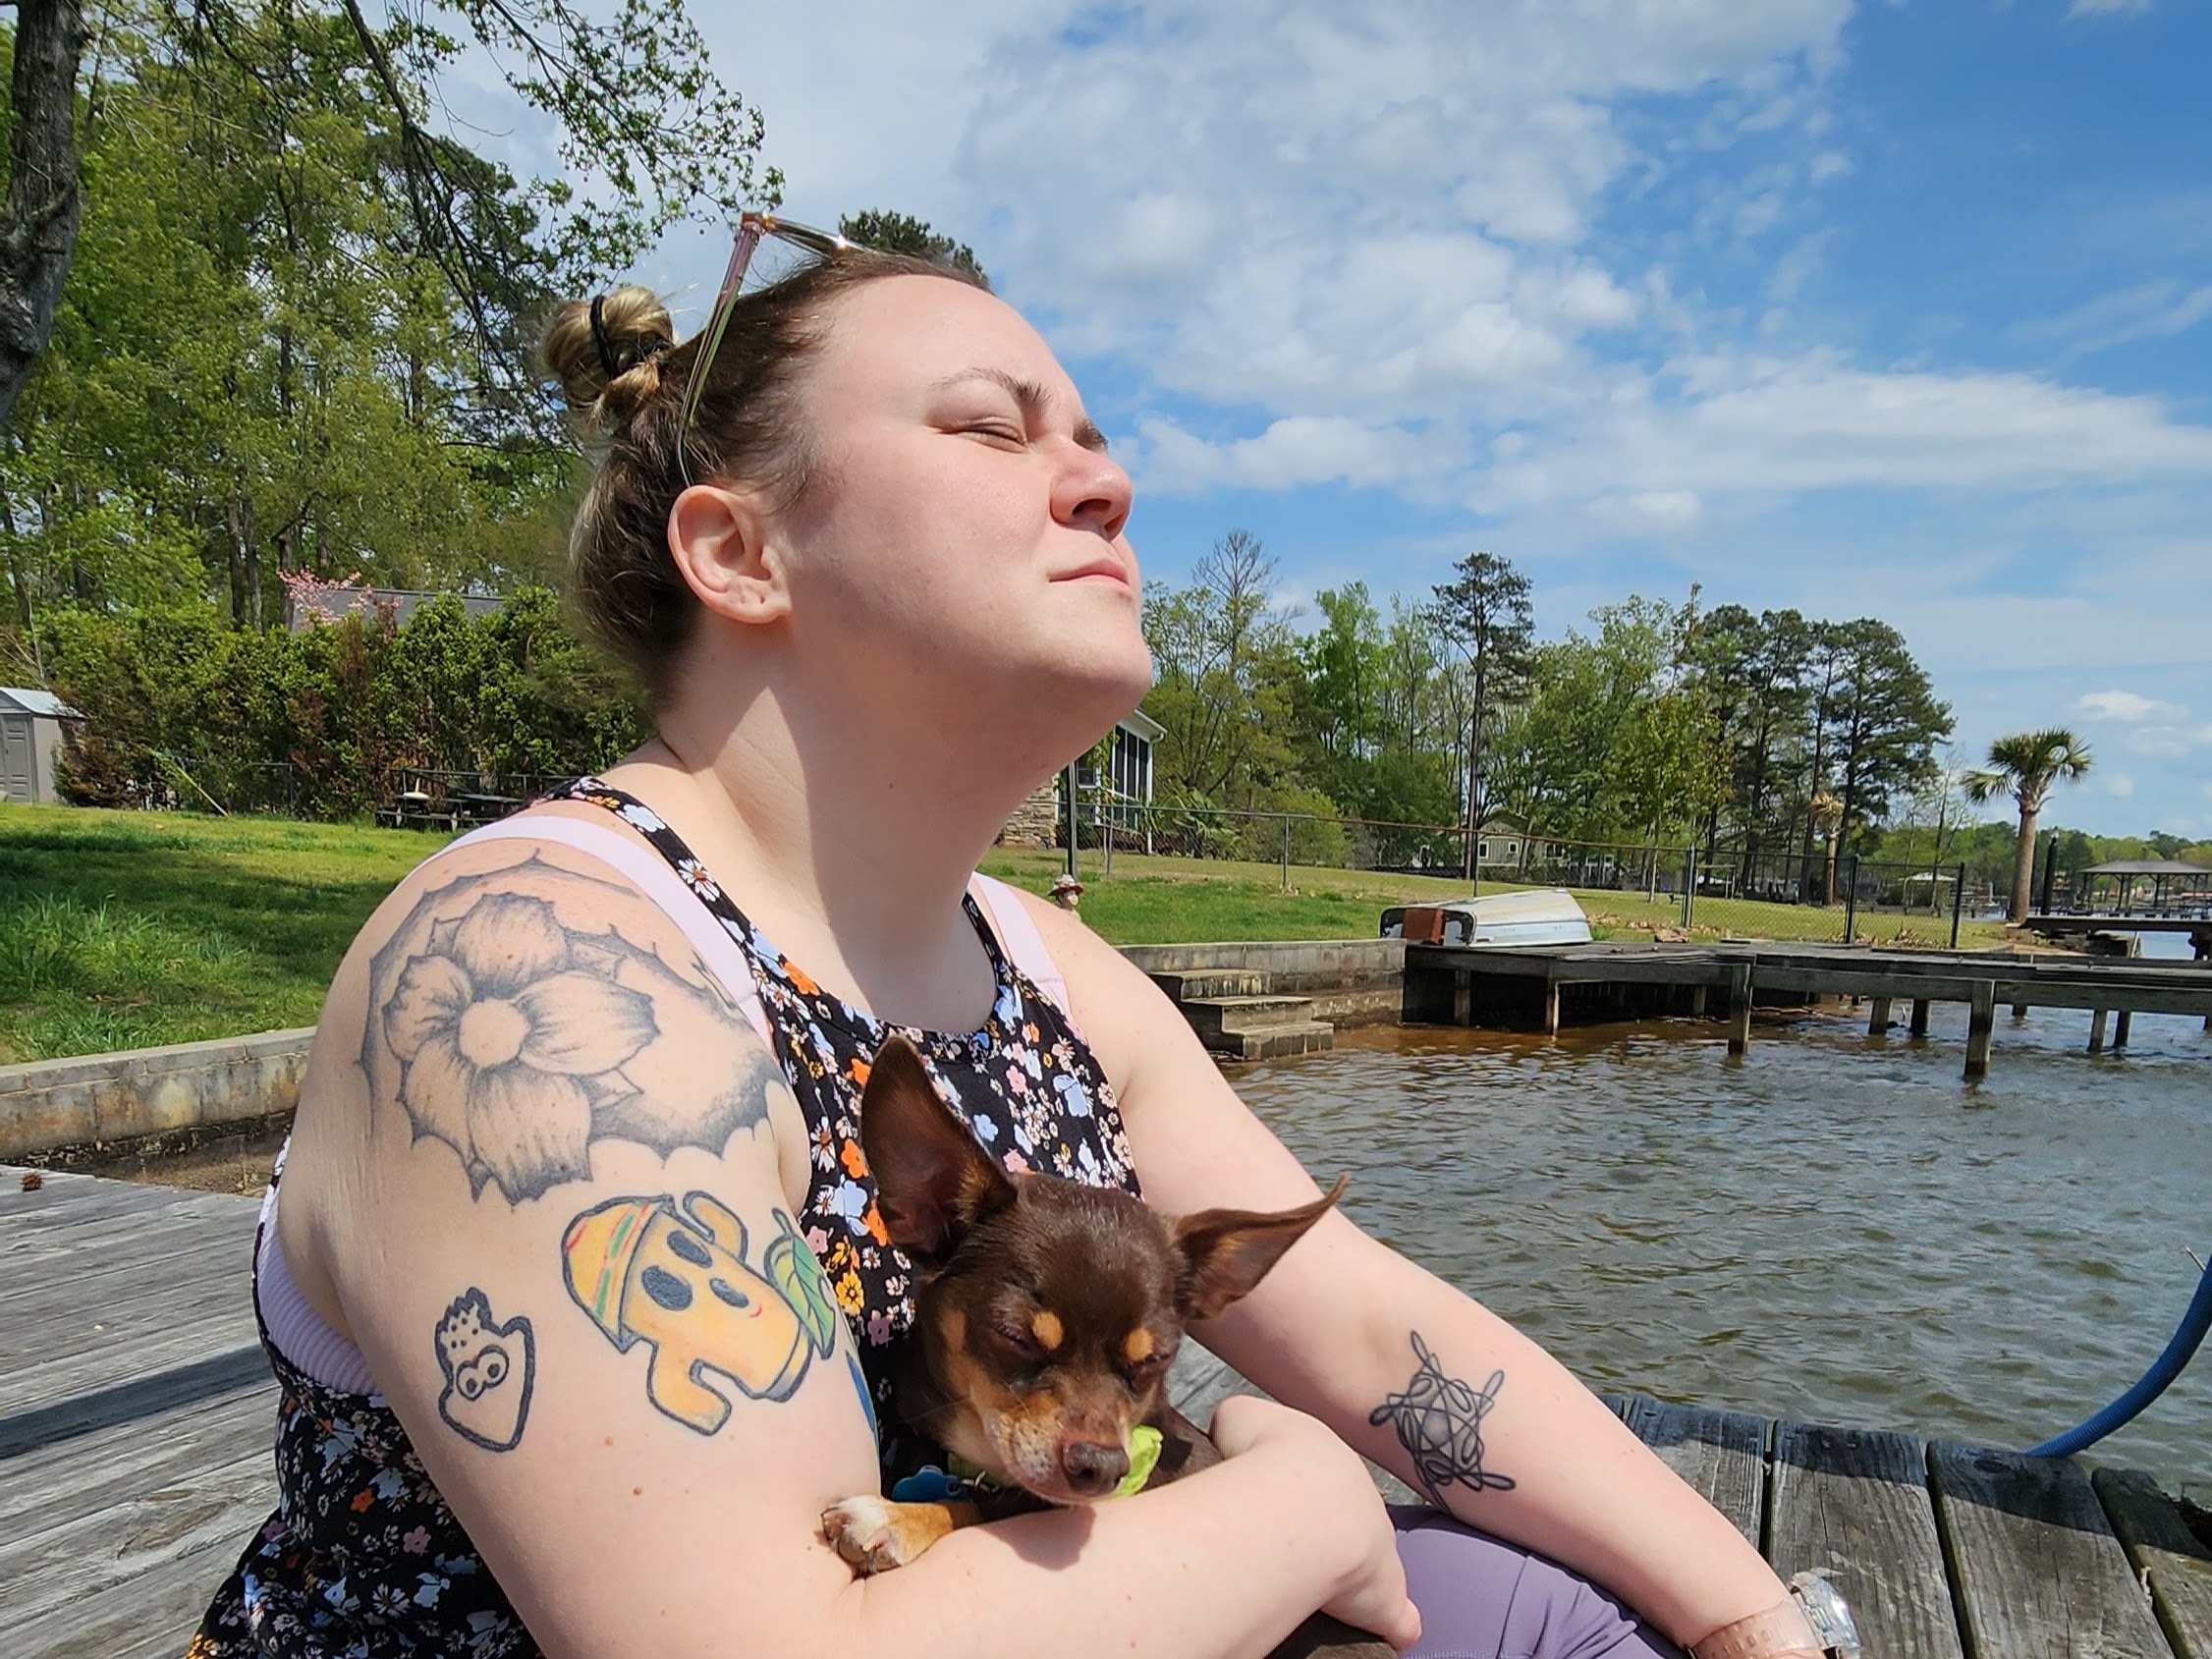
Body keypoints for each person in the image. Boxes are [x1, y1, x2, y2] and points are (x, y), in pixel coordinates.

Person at [193, 225, 1841, 1659]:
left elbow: (1365, 1329)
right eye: (993, 426)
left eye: (1098, 441)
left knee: (1598, 1620)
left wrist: (1756, 1618)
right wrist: (1306, 1498)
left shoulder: (1045, 967)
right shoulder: (539, 972)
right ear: (738, 550)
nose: (1107, 481)